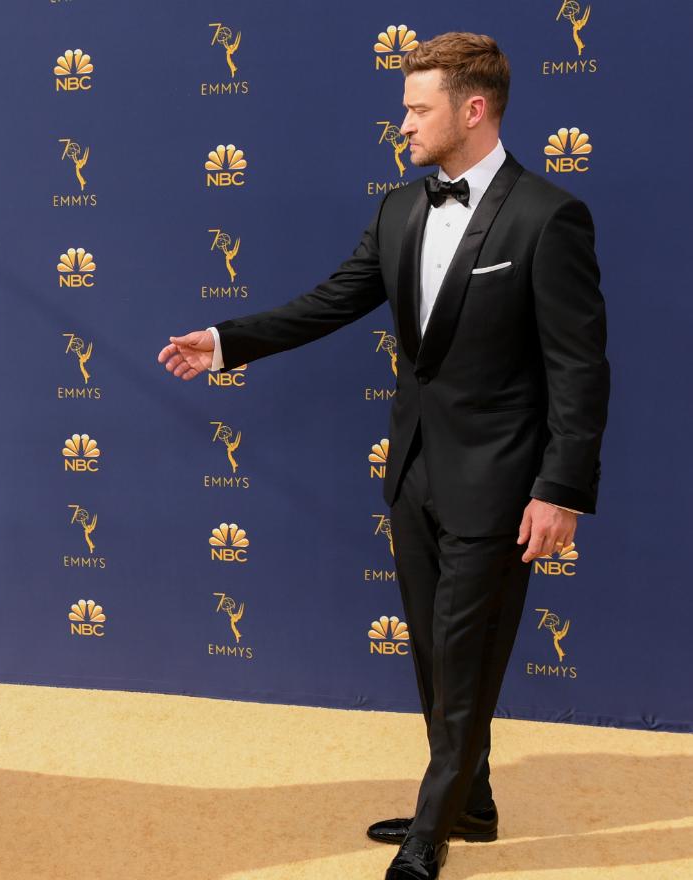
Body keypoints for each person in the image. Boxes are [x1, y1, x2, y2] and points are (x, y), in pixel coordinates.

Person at [158, 32, 609, 880]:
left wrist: (562, 490)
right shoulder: (400, 208)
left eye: (416, 107)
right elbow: (331, 302)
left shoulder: (550, 217)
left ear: (472, 110)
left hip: (503, 482)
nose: (401, 122)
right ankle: (469, 801)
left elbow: (579, 370)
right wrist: (226, 341)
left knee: (467, 656)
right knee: (436, 656)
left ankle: (430, 834)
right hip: (413, 474)